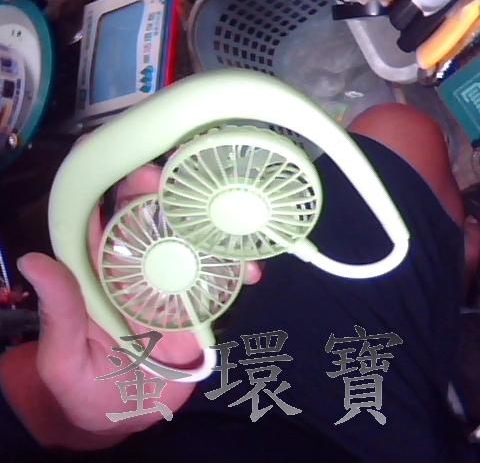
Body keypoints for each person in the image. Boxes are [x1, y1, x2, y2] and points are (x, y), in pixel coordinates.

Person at [0, 103, 479, 462]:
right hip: (372, 439)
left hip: (227, 410)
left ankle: (446, 267)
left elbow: (21, 399)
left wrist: (110, 409)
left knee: (398, 134)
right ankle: (445, 272)